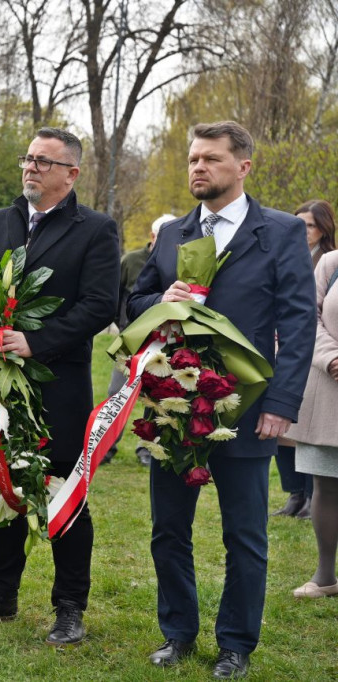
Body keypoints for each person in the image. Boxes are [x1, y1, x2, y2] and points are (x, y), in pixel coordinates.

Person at [128, 121, 316, 679]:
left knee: (245, 533)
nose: (197, 168)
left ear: (243, 167)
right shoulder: (172, 234)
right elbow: (135, 301)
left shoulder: (280, 233)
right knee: (168, 528)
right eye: (192, 159)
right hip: (173, 407)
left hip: (247, 407)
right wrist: (161, 297)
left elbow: (299, 322)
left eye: (210, 158)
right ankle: (177, 632)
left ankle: (236, 643)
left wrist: (282, 402)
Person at [0, 128, 119, 648]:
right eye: (27, 158)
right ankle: (0, 593)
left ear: (71, 173)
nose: (31, 168)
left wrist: (36, 341)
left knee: (62, 490)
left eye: (44, 162)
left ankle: (70, 607)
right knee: (2, 482)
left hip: (58, 383)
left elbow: (99, 305)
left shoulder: (95, 230)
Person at [271, 199, 335, 518]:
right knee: (281, 431)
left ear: (323, 229)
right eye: (297, 224)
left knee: (305, 427)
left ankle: (312, 495)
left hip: (310, 353)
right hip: (277, 346)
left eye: (308, 225)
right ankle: (294, 494)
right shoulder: (283, 256)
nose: (302, 231)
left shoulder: (327, 262)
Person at [287, 250, 338, 599]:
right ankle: (325, 575)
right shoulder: (331, 263)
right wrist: (330, 358)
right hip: (330, 386)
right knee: (326, 483)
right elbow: (309, 317)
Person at [106, 213, 175, 466]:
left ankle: (147, 448)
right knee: (116, 393)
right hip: (132, 341)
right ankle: (106, 447)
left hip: (163, 344)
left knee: (156, 398)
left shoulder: (179, 262)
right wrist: (124, 326)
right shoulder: (131, 261)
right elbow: (115, 297)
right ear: (153, 236)